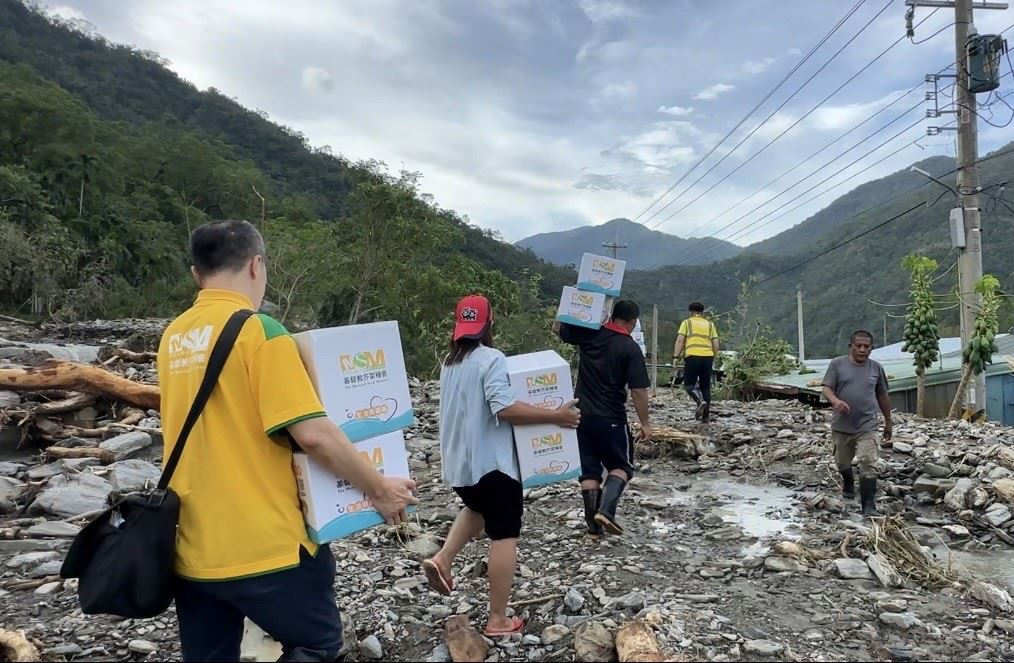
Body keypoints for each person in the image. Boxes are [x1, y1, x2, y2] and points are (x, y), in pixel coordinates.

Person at [158, 220, 418, 662]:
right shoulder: (260, 332)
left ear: (196, 274)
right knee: (319, 644)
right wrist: (379, 488)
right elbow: (313, 434)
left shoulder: (174, 336)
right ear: (256, 265)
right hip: (266, 545)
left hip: (192, 547)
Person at [422, 295, 581, 637]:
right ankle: (497, 619)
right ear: (489, 324)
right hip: (493, 465)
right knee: (505, 534)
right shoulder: (491, 359)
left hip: (460, 466)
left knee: (477, 508)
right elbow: (504, 408)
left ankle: (443, 559)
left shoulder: (450, 363)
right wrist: (555, 415)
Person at [555, 300, 651, 536]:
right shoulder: (630, 348)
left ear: (612, 316)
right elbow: (638, 391)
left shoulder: (591, 334)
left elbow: (557, 328)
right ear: (632, 322)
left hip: (580, 417)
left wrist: (572, 303)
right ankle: (606, 511)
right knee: (621, 466)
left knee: (589, 472)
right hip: (612, 418)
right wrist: (645, 423)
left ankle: (594, 529)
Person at [820, 330, 893, 517]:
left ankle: (868, 506)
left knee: (868, 462)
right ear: (850, 346)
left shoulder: (876, 368)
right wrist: (835, 401)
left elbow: (882, 395)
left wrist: (888, 422)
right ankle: (848, 483)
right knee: (842, 462)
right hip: (841, 426)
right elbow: (826, 388)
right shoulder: (837, 364)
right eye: (858, 346)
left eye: (866, 347)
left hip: (867, 425)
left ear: (871, 348)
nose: (862, 349)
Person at [674, 302, 720, 422]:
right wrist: (714, 357)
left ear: (691, 312)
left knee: (689, 384)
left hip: (692, 357)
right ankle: (705, 418)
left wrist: (675, 357)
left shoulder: (687, 323)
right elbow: (716, 344)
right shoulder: (710, 325)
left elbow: (680, 340)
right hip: (707, 358)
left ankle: (699, 400)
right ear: (702, 313)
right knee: (705, 387)